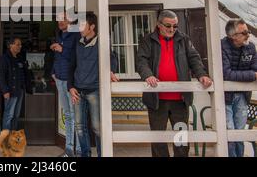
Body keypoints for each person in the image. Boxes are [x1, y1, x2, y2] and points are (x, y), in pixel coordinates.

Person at [136, 9, 212, 157]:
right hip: (157, 100)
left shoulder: (184, 39)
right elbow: (141, 61)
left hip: (180, 100)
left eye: (175, 26)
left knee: (181, 138)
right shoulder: (147, 40)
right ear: (159, 24)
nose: (172, 29)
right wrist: (148, 75)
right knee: (158, 139)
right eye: (168, 26)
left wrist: (202, 74)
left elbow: (194, 59)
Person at [68, 12, 119, 157]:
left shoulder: (101, 42)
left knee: (97, 128)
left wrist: (110, 71)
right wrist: (70, 87)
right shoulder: (77, 43)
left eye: (83, 25)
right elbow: (71, 66)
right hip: (77, 91)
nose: (80, 28)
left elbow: (112, 59)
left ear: (92, 27)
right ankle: (85, 154)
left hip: (94, 91)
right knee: (79, 128)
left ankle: (102, 154)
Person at [221, 19, 257, 157]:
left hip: (243, 96)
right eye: (245, 32)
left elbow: (256, 69)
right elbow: (226, 73)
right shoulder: (221, 47)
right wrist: (251, 75)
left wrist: (250, 74)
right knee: (229, 132)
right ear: (233, 35)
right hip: (225, 97)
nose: (248, 34)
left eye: (248, 31)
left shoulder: (251, 47)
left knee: (239, 133)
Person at [51, 12, 81, 157]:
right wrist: (53, 72)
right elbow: (56, 57)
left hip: (72, 81)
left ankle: (80, 150)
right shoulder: (59, 35)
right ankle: (69, 150)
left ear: (71, 20)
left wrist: (62, 49)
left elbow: (77, 57)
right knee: (68, 115)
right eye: (59, 20)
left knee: (77, 116)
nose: (60, 22)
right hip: (59, 79)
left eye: (63, 19)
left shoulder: (76, 35)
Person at [0, 38, 33, 130]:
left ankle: (13, 137)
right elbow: (1, 76)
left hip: (20, 90)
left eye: (20, 44)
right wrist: (5, 90)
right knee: (9, 115)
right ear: (11, 45)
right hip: (10, 91)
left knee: (16, 115)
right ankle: (5, 139)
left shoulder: (20, 58)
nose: (20, 46)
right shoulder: (4, 58)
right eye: (18, 44)